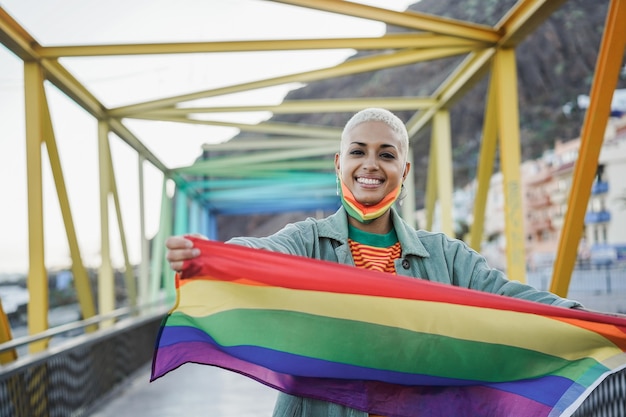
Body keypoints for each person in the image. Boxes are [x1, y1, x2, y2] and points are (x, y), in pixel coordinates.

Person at [166, 107, 583, 417]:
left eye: (386, 155)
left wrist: (591, 323)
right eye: (357, 152)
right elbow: (257, 258)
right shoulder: (307, 241)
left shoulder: (445, 256)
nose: (370, 165)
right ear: (339, 164)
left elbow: (513, 300)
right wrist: (209, 255)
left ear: (403, 168)